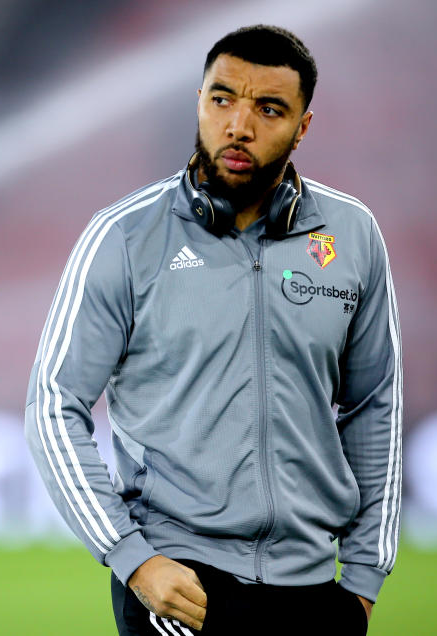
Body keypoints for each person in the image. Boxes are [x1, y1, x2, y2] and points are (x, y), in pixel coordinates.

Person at [25, 25, 401, 635]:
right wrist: (133, 558)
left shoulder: (353, 236)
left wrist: (361, 579)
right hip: (179, 583)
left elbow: (374, 408)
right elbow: (51, 406)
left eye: (269, 109)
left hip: (314, 594)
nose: (239, 126)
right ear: (198, 99)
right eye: (222, 99)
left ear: (304, 126)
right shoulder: (123, 237)